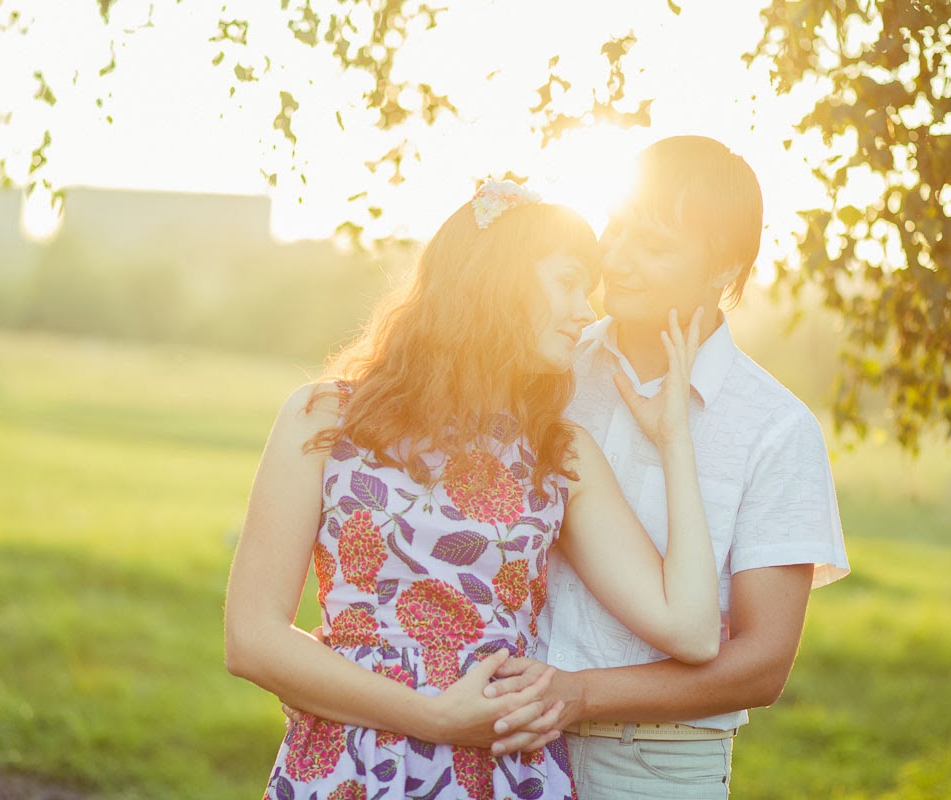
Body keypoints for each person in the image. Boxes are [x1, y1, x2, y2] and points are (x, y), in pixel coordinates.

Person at [224, 179, 723, 800]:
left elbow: (695, 630)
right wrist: (429, 718)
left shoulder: (558, 453)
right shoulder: (325, 418)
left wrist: (675, 441)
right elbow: (250, 638)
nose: (584, 312)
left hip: (502, 773)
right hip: (348, 768)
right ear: (500, 278)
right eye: (567, 282)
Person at [483, 136, 852, 799]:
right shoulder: (546, 371)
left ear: (723, 268)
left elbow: (761, 665)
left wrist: (581, 695)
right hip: (507, 741)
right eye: (617, 233)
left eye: (654, 247)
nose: (618, 262)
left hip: (655, 765)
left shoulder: (775, 427)